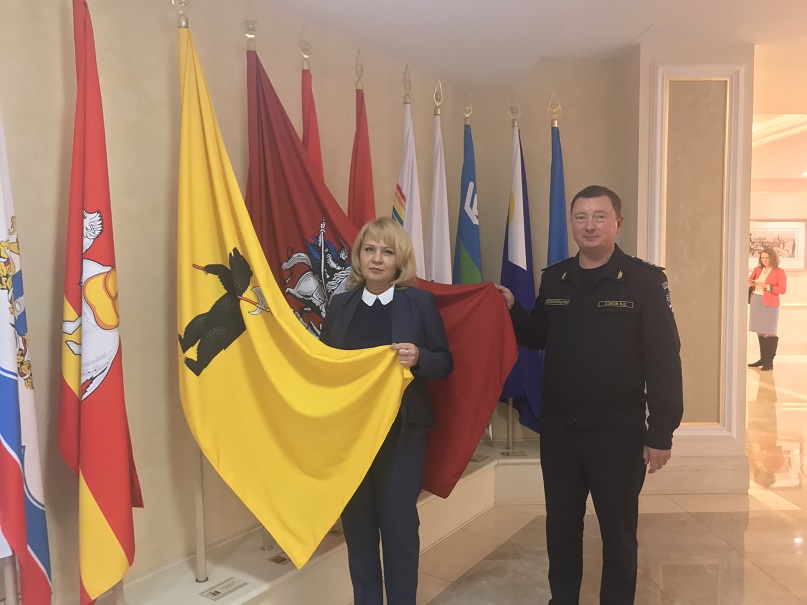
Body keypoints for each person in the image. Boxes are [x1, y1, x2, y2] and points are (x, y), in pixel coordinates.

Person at [496, 185, 683, 605]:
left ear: (618, 223)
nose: (589, 225)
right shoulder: (556, 277)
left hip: (617, 434)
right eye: (580, 217)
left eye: (600, 216)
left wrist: (661, 433)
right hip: (561, 431)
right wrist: (512, 308)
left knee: (618, 533)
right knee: (561, 527)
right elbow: (538, 335)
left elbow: (665, 360)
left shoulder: (645, 281)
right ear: (572, 224)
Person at [320, 217, 453, 605]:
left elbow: (445, 362)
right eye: (370, 250)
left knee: (398, 528)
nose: (377, 259)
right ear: (359, 256)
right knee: (358, 528)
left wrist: (420, 357)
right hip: (351, 438)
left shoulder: (419, 303)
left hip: (401, 435)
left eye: (387, 251)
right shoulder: (340, 305)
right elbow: (324, 366)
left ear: (400, 261)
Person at [747, 247, 787, 371]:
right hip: (756, 301)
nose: (764, 260)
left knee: (770, 331)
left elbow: (782, 290)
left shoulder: (779, 272)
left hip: (770, 304)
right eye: (762, 258)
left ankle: (769, 362)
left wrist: (766, 286)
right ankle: (763, 359)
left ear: (772, 258)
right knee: (760, 330)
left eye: (767, 258)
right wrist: (751, 283)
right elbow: (749, 280)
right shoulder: (757, 269)